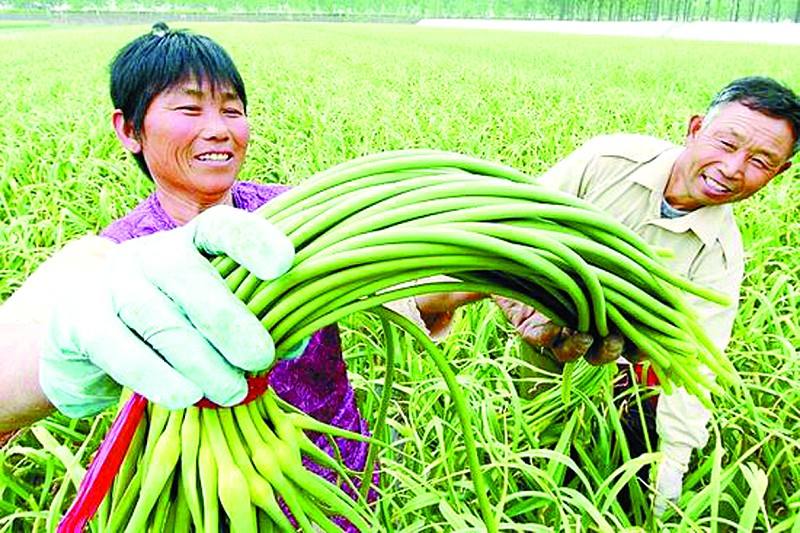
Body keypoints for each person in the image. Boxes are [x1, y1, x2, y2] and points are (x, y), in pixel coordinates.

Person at [496, 76, 800, 516]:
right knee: (527, 448)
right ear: (695, 129)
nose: (734, 169)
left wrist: (671, 470)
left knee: (622, 455)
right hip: (541, 327)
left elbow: (695, 363)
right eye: (726, 143)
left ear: (779, 173)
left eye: (760, 161)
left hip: (619, 365)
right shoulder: (608, 161)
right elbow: (513, 224)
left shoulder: (719, 257)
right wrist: (512, 297)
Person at [0, 205, 294, 437]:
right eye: (189, 123)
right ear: (131, 134)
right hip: (191, 473)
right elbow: (14, 352)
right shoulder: (106, 254)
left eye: (233, 122)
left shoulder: (282, 209)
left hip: (326, 435)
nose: (216, 130)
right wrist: (43, 360)